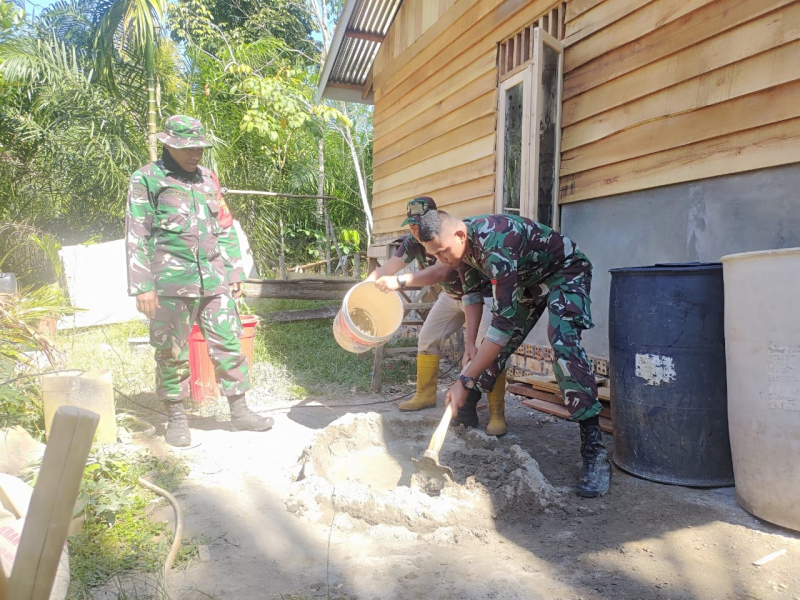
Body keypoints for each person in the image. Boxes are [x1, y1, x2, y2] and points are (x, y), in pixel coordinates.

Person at [417, 210, 611, 497]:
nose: (442, 261)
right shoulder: (459, 248)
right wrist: (470, 345)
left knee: (563, 345)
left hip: (565, 273)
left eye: (443, 252)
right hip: (529, 283)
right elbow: (471, 295)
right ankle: (467, 409)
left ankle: (595, 452)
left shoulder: (496, 243)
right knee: (488, 349)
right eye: (435, 256)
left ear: (459, 235)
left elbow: (502, 328)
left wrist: (464, 379)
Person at [126, 115, 273, 447]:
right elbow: (136, 233)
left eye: (200, 148)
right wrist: (142, 285)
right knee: (170, 351)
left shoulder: (208, 179)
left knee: (229, 342)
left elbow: (224, 225)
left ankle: (240, 411)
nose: (195, 154)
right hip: (169, 283)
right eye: (188, 148)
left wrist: (235, 270)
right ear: (169, 145)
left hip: (213, 278)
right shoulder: (146, 179)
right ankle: (177, 417)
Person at [367, 197, 508, 436]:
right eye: (411, 224)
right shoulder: (413, 242)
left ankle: (497, 413)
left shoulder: (446, 237)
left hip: (481, 297)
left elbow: (440, 270)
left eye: (419, 223)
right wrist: (361, 289)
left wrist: (401, 281)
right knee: (427, 337)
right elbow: (386, 268)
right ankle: (424, 394)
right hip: (451, 295)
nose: (415, 229)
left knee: (489, 350)